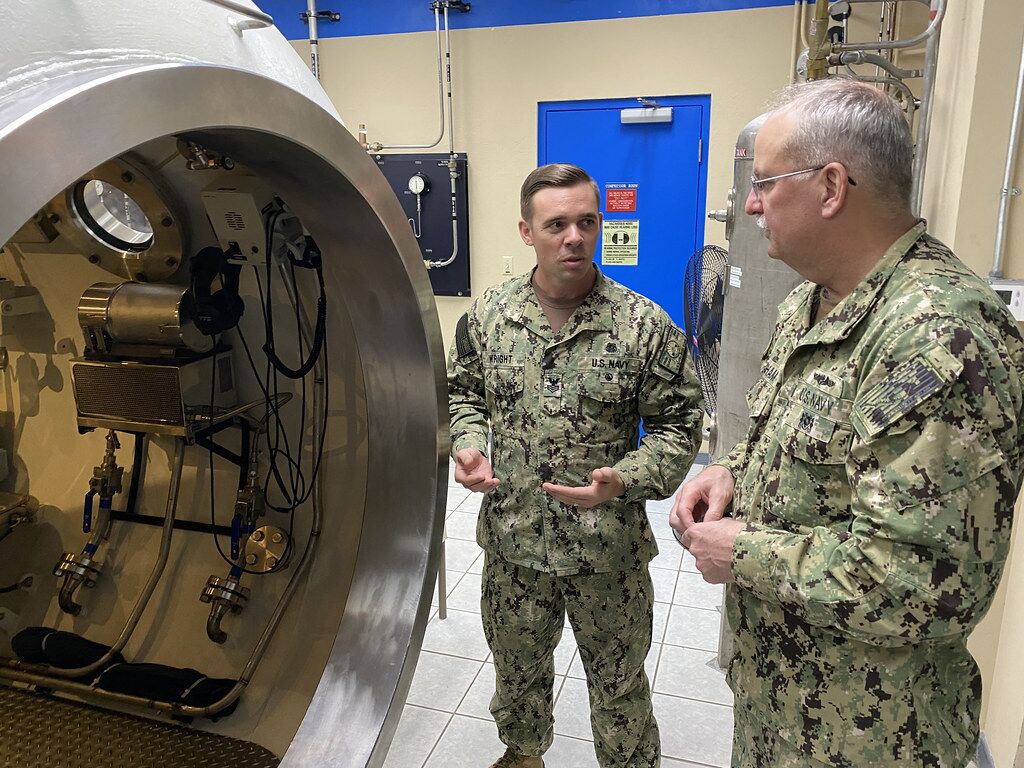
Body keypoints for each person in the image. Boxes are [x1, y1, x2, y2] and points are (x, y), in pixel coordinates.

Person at [670, 77, 1024, 767]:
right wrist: (729, 472)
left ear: (831, 187)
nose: (749, 204)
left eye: (766, 182)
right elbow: (796, 446)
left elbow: (925, 583)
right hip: (782, 711)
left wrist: (742, 552)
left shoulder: (939, 336)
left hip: (871, 738)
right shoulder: (812, 303)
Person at [448, 163, 704, 768]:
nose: (574, 237)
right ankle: (523, 755)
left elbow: (679, 428)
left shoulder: (644, 327)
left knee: (618, 687)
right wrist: (468, 442)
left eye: (587, 222)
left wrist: (629, 478)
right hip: (515, 544)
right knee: (516, 673)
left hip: (606, 550)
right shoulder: (486, 319)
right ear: (525, 231)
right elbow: (465, 394)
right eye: (556, 224)